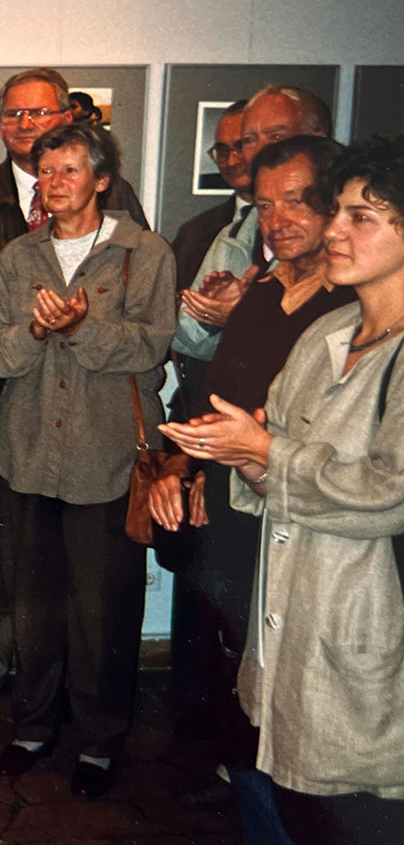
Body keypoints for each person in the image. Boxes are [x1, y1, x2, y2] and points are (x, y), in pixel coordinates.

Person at [161, 135, 404, 845]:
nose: (336, 230)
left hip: (366, 622)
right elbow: (275, 458)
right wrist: (232, 452)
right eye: (340, 213)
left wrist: (265, 450)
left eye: (362, 216)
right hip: (291, 614)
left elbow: (390, 492)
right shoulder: (330, 336)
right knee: (304, 823)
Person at [0, 122, 174, 798]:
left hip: (104, 460)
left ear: (103, 178)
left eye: (68, 171)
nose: (52, 184)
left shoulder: (142, 254)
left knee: (102, 611)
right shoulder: (19, 256)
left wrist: (83, 327)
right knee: (32, 606)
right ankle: (32, 726)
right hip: (26, 457)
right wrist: (33, 329)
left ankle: (101, 738)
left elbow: (151, 346)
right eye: (44, 172)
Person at [0, 68, 148, 713]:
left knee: (93, 583)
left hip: (98, 426)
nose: (25, 125)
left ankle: (88, 715)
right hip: (2, 406)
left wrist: (82, 328)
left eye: (38, 114)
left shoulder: (129, 230)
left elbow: (148, 332)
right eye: (12, 114)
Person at [165, 98, 251, 737]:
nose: (237, 157)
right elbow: (182, 347)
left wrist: (240, 319)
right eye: (225, 149)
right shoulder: (200, 232)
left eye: (252, 141)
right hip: (201, 441)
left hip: (261, 458)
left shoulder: (326, 239)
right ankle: (200, 741)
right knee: (201, 598)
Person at [175, 85, 331, 348]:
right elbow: (190, 341)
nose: (260, 151)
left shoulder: (345, 237)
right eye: (249, 140)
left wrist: (244, 318)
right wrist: (209, 315)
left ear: (317, 139)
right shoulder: (233, 233)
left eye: (276, 136)